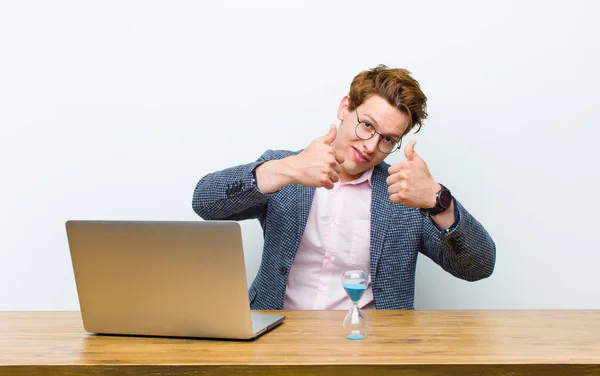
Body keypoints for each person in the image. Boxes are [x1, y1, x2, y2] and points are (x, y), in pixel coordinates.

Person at [192, 64, 496, 310]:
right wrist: (288, 169)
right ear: (345, 107)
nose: (371, 146)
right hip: (275, 340)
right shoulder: (287, 169)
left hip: (370, 351)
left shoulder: (404, 195)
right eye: (367, 125)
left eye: (388, 139)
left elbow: (478, 266)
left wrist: (437, 200)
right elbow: (204, 202)